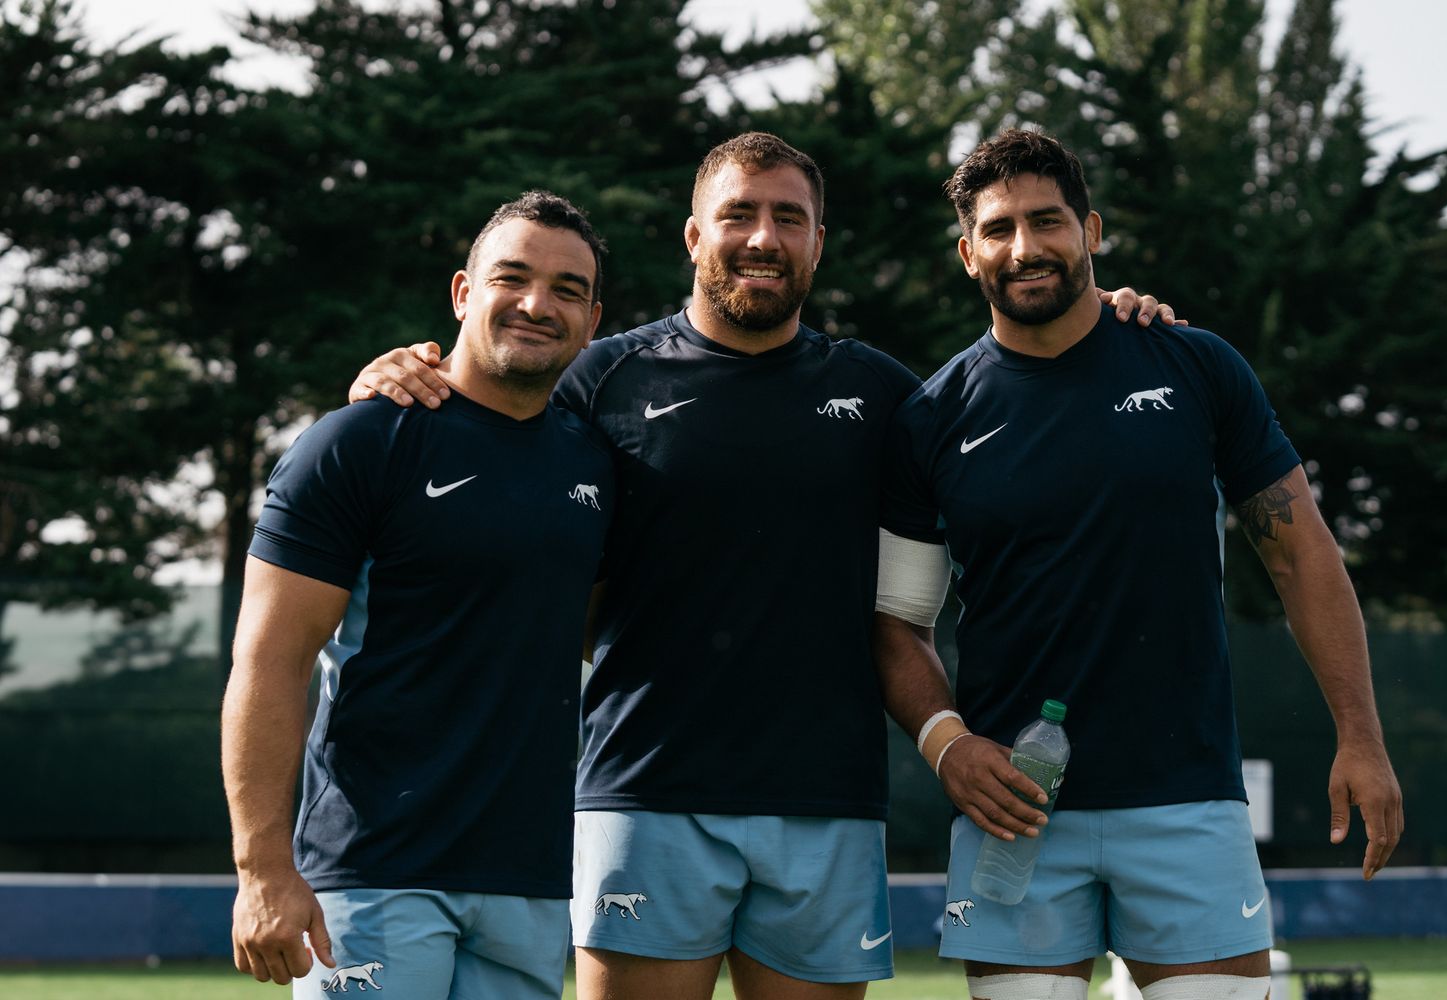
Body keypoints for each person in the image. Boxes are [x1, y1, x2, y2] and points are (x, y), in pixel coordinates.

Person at [348, 132, 1175, 1000]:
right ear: (695, 235)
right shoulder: (600, 377)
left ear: (818, 243)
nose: (762, 238)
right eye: (737, 214)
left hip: (829, 806)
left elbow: (1027, 377)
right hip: (645, 797)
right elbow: (493, 395)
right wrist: (407, 368)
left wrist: (1114, 318)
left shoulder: (888, 395)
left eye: (790, 218)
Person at [874, 128, 1404, 1000]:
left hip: (1187, 798)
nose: (1027, 247)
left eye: (1049, 222)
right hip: (1014, 810)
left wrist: (1363, 736)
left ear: (1091, 229)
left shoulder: (1193, 364)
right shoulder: (930, 417)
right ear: (968, 254)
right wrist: (948, 748)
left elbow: (1302, 554)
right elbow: (897, 620)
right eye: (1000, 229)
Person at [221, 191, 613, 1000]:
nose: (538, 304)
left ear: (594, 317)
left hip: (530, 882)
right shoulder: (358, 442)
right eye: (513, 278)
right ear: (464, 292)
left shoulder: (598, 462)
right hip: (373, 872)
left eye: (567, 290)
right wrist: (262, 868)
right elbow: (270, 661)